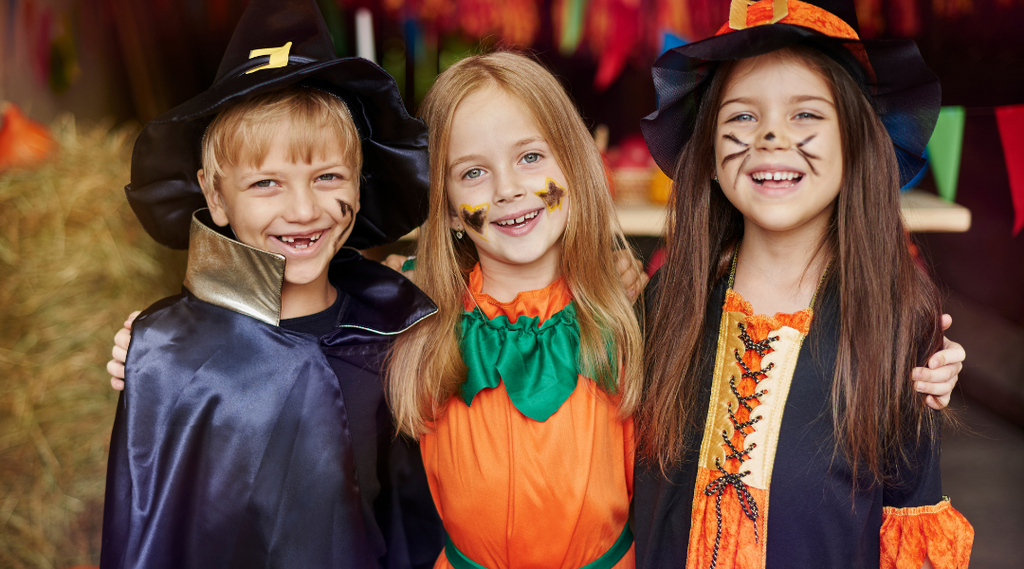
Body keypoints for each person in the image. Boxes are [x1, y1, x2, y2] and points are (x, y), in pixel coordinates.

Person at [100, 1, 443, 567]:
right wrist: (156, 358)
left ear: (360, 184)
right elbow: (156, 530)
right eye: (266, 183)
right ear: (215, 196)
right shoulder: (171, 356)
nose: (304, 209)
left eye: (327, 176)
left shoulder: (400, 332)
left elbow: (412, 519)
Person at [632, 1, 973, 568]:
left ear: (857, 143)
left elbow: (911, 520)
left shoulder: (896, 323)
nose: (769, 134)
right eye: (741, 116)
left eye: (805, 115)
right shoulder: (667, 301)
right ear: (711, 154)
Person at [385, 52, 644, 568]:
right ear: (450, 208)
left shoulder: (628, 311)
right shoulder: (420, 320)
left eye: (530, 157)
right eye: (474, 172)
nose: (507, 189)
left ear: (574, 162)